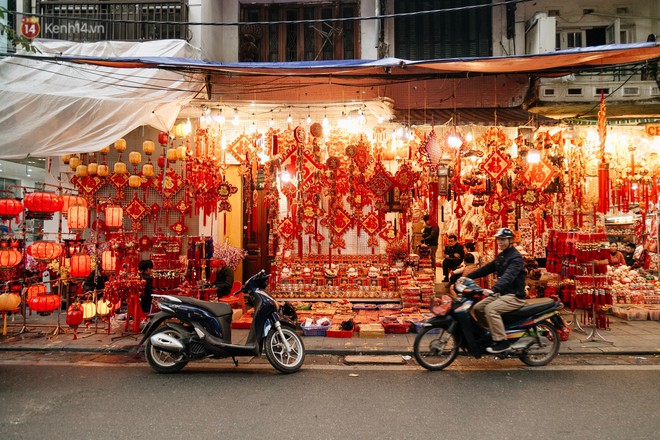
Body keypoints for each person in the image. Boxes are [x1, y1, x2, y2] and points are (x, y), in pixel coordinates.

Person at [464, 227, 526, 354]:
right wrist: (467, 277)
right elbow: (487, 268)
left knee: (490, 309)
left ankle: (501, 341)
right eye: (499, 240)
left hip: (514, 296)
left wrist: (494, 289)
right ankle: (490, 334)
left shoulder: (516, 258)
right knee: (477, 308)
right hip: (501, 294)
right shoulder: (502, 256)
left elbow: (509, 276)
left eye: (503, 239)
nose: (500, 242)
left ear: (511, 240)